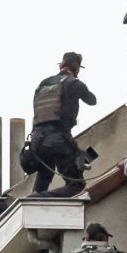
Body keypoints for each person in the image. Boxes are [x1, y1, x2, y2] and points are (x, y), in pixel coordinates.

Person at [29, 52, 96, 197]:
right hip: (58, 140)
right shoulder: (74, 83)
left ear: (61, 64)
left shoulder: (44, 83)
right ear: (77, 69)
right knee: (77, 186)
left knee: (44, 177)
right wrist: (78, 84)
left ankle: (34, 198)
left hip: (37, 141)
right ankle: (39, 198)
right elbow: (92, 100)